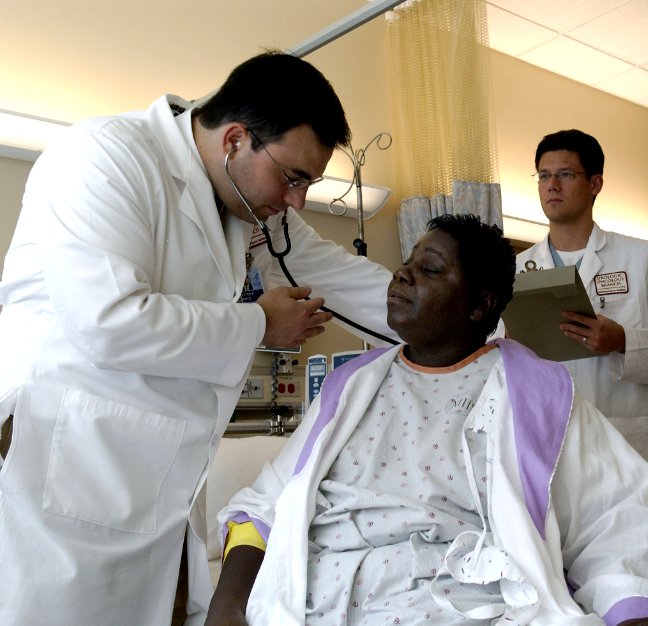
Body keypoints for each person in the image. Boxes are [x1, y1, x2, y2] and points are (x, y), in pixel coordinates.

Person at [0, 52, 397, 625]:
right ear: (235, 139)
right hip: (65, 469)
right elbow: (110, 323)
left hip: (158, 483)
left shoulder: (251, 208)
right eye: (293, 178)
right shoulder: (104, 158)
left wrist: (468, 322)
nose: (297, 201)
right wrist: (261, 323)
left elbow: (340, 277)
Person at [207, 214, 648, 626]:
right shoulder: (350, 388)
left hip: (454, 607)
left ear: (481, 305)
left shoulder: (535, 393)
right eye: (405, 264)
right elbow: (263, 509)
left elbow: (620, 520)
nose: (402, 275)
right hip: (313, 604)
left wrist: (634, 615)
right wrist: (227, 609)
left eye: (429, 269)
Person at [516, 129, 648, 566]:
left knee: (647, 570)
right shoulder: (517, 272)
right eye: (543, 176)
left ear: (594, 183)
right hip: (550, 450)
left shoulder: (640, 256)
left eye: (564, 174)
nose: (552, 186)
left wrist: (624, 341)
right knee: (566, 579)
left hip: (628, 442)